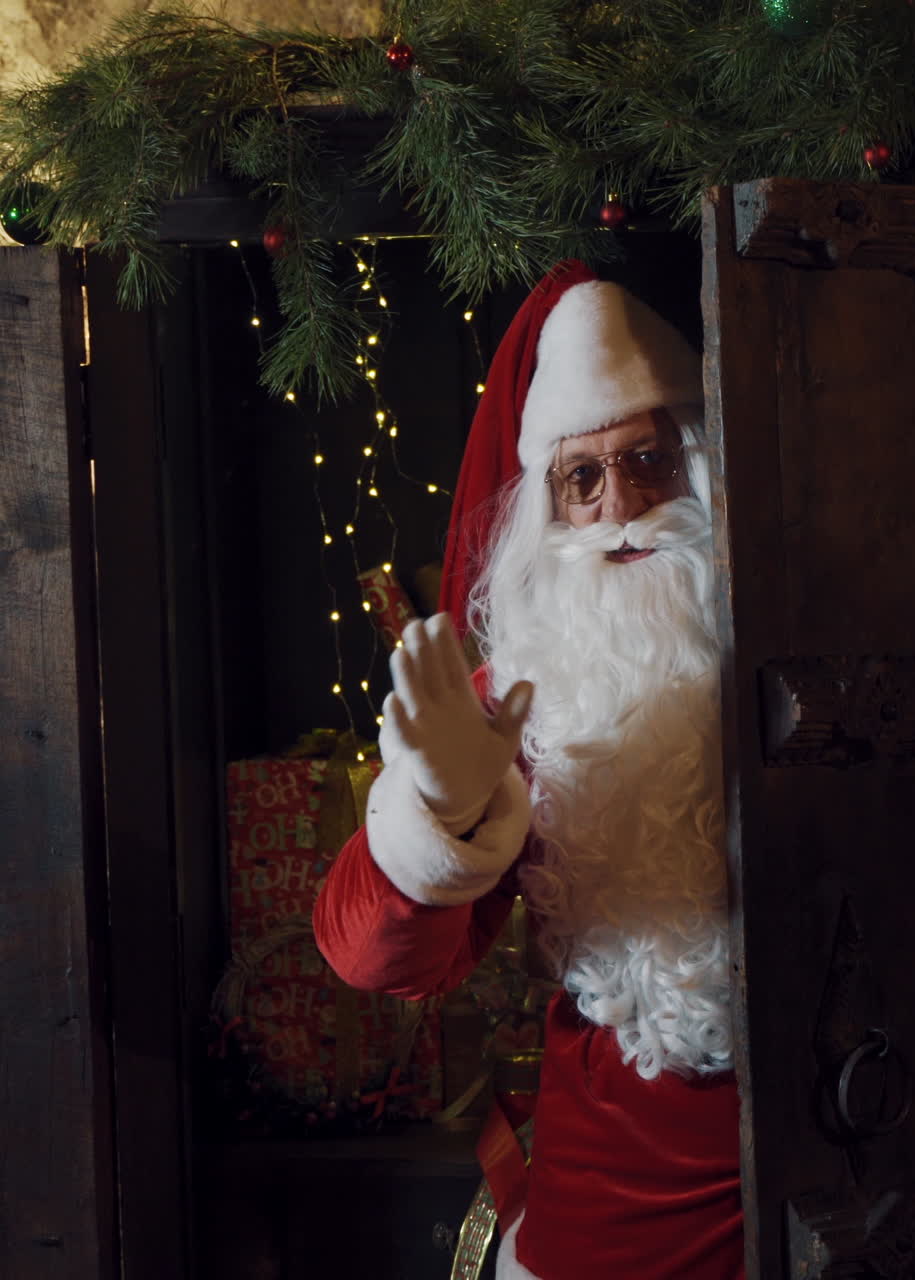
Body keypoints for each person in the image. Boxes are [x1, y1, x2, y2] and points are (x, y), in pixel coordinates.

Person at [313, 260, 741, 1279]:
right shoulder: (530, 690)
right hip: (625, 1170)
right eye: (580, 477)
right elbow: (371, 959)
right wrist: (436, 812)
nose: (620, 507)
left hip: (867, 1124)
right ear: (546, 511)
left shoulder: (810, 631)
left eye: (647, 459)